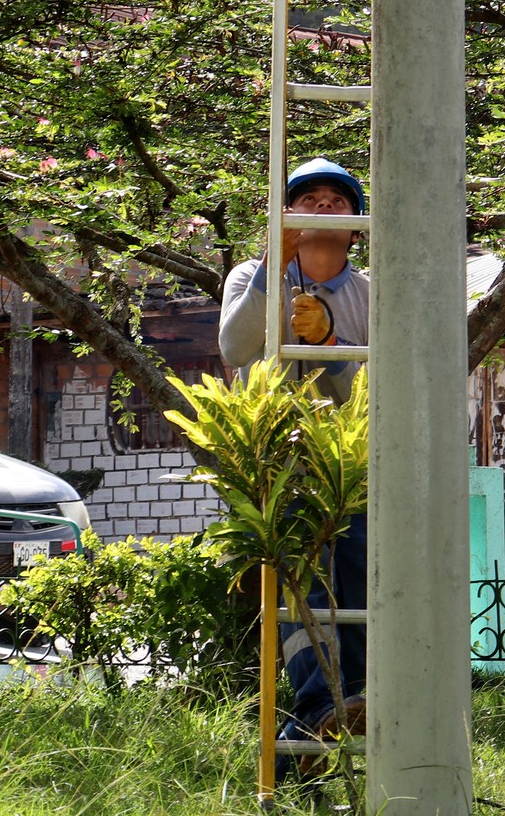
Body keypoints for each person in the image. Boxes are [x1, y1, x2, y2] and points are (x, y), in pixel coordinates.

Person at [218, 157, 368, 754]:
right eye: (310, 198)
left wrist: (329, 342)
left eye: (338, 199)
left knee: (353, 582)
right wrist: (270, 269)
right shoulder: (249, 276)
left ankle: (346, 705)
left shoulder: (369, 295)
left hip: (345, 464)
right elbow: (234, 347)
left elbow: (365, 396)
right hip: (278, 461)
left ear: (357, 226)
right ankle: (316, 711)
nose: (324, 206)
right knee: (302, 583)